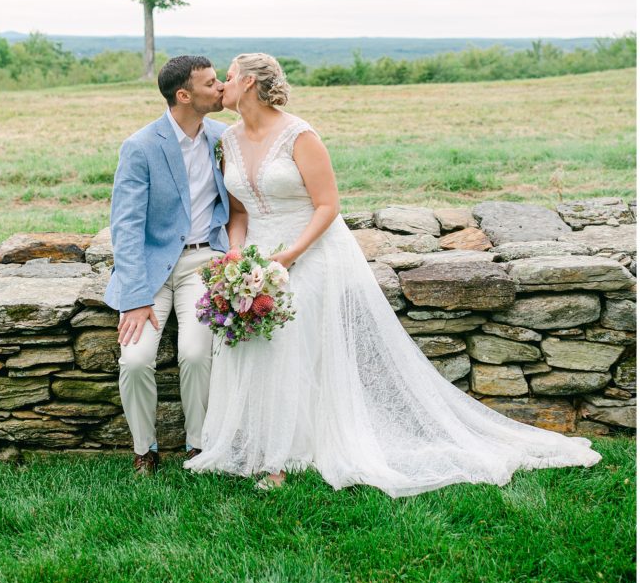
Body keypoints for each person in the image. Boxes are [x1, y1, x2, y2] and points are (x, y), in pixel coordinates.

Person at [185, 52, 601, 496]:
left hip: (308, 251)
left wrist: (289, 256)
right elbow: (241, 211)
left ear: (249, 83)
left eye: (227, 78)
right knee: (252, 349)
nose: (222, 86)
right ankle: (262, 446)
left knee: (290, 345)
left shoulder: (299, 135)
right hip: (255, 256)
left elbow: (327, 205)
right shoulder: (227, 140)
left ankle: (281, 461)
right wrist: (235, 256)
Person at [105, 55, 229, 475]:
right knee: (135, 360)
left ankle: (199, 447)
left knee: (197, 354)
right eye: (212, 83)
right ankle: (146, 449)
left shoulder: (222, 137)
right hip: (149, 271)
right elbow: (125, 227)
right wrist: (136, 297)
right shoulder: (140, 146)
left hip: (202, 263)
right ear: (184, 95)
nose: (221, 87)